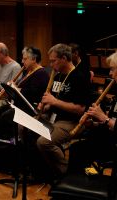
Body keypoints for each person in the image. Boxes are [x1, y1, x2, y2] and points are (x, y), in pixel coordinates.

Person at [36, 43, 91, 182]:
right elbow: (56, 101)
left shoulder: (79, 77)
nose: (51, 64)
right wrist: (46, 106)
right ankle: (41, 171)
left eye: (53, 60)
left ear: (65, 58)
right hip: (55, 118)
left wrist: (54, 102)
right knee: (25, 129)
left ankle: (68, 174)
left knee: (44, 142)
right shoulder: (58, 75)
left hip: (72, 122)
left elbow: (80, 109)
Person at [68, 51, 117, 173]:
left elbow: (110, 122)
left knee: (79, 150)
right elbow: (110, 123)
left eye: (112, 69)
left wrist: (103, 118)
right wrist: (94, 123)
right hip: (109, 139)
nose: (110, 73)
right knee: (76, 149)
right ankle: (78, 184)